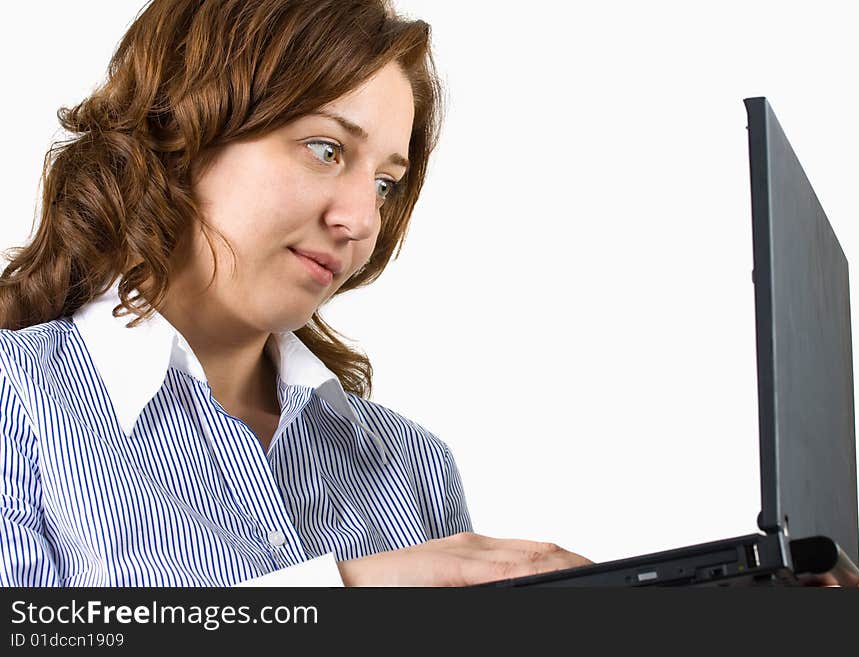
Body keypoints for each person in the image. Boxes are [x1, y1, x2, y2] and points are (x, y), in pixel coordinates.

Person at [0, 0, 592, 587]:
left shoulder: (415, 466)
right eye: (325, 149)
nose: (362, 220)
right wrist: (342, 596)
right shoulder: (17, 399)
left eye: (385, 184)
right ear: (182, 132)